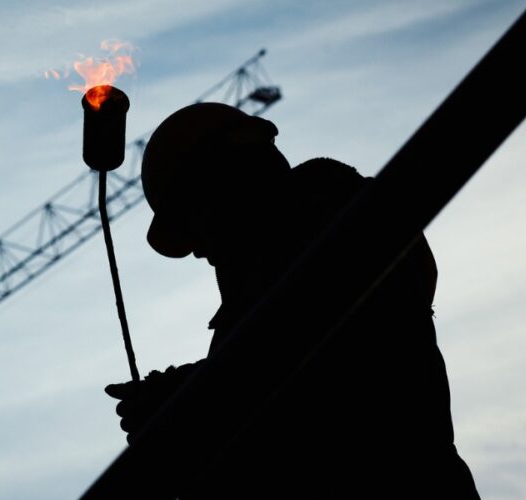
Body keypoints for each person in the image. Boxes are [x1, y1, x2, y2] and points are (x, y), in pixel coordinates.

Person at [104, 103, 480, 498]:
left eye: (192, 219)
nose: (196, 249)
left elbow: (313, 378)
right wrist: (180, 417)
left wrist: (189, 405)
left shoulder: (348, 230)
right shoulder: (256, 310)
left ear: (227, 180)